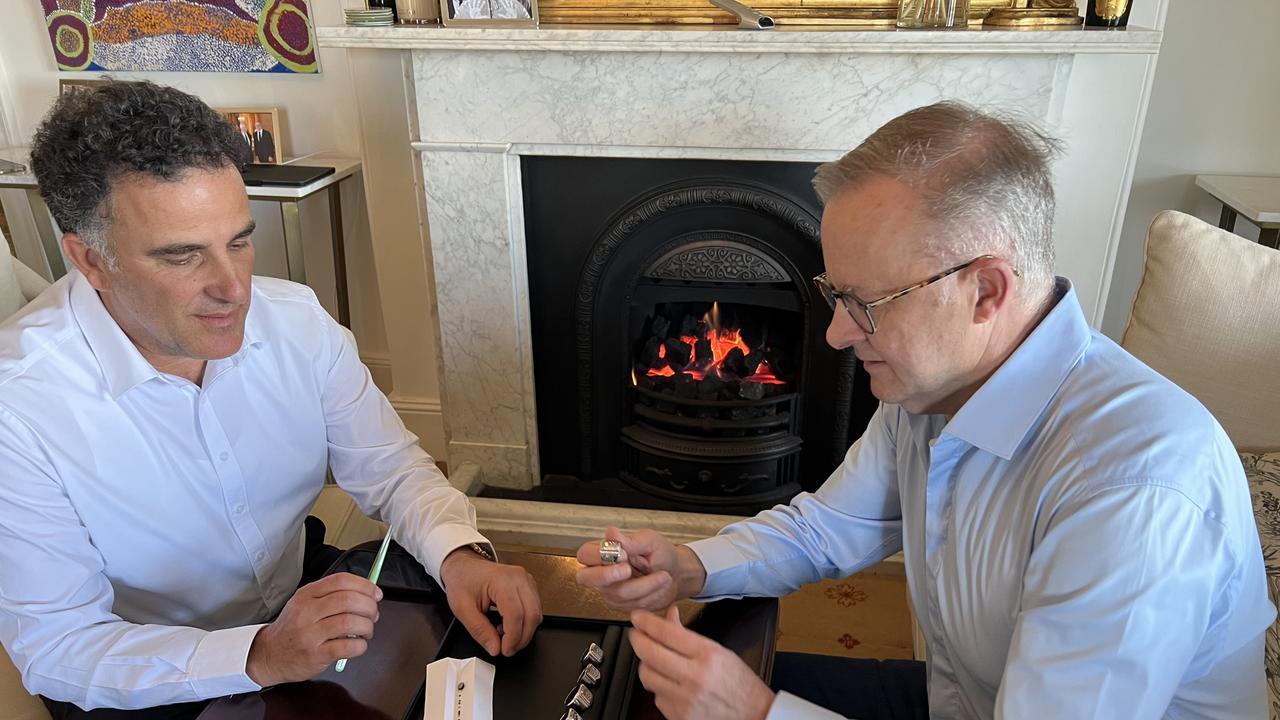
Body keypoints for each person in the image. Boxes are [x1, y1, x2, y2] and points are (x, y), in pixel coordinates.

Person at [576, 102, 1274, 720]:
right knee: (640, 693)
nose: (836, 334)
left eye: (866, 303)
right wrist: (689, 568)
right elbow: (827, 529)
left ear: (986, 292)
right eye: (833, 293)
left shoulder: (1136, 488)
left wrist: (761, 715)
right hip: (961, 699)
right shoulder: (935, 386)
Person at [0, 81, 542, 719]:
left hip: (297, 607)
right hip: (146, 676)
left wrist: (461, 555)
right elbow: (59, 646)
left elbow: (391, 471)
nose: (233, 288)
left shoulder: (297, 323)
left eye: (238, 240)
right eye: (182, 257)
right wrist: (257, 655)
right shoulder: (21, 407)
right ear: (90, 260)